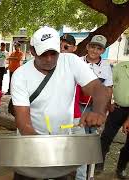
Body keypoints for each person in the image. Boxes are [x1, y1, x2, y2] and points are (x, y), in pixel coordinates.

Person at [11, 26, 110, 180]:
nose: (49, 59)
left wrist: (98, 111)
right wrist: (48, 150)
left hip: (64, 146)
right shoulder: (20, 75)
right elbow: (24, 124)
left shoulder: (70, 61)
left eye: (53, 53)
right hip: (30, 146)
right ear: (32, 51)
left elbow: (99, 90)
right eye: (44, 54)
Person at [60, 33, 86, 180]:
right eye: (60, 45)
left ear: (74, 48)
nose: (62, 48)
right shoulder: (49, 64)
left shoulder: (79, 66)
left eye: (66, 46)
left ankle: (81, 178)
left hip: (75, 118)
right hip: (56, 119)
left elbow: (86, 95)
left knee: (81, 152)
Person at [99, 60, 129, 178]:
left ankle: (121, 168)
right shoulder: (120, 66)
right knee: (105, 138)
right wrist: (108, 104)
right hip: (116, 109)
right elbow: (109, 86)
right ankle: (98, 165)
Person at [79, 35, 113, 134]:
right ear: (87, 47)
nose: (95, 51)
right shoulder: (78, 61)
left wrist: (106, 107)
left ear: (103, 51)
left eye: (99, 48)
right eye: (93, 47)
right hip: (79, 105)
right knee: (80, 129)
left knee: (93, 130)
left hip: (96, 106)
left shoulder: (106, 66)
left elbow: (109, 88)